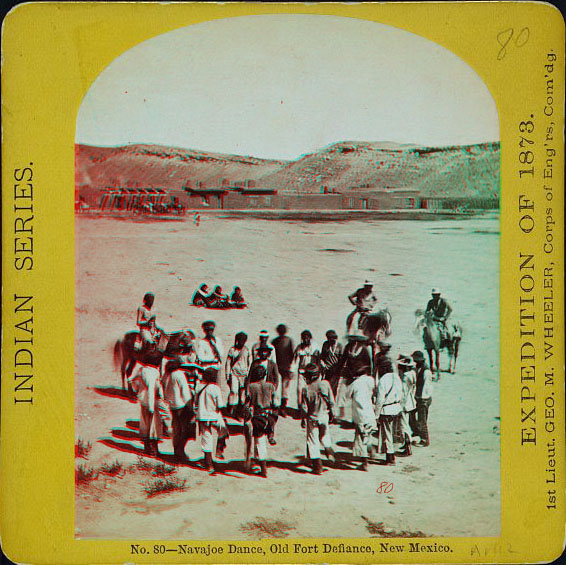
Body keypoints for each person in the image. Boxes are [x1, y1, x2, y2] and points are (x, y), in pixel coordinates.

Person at [300, 363, 336, 474]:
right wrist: (332, 414)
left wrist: (303, 419)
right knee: (325, 436)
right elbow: (331, 401)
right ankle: (330, 454)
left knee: (312, 441)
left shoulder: (306, 389)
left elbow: (304, 407)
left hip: (312, 418)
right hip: (324, 415)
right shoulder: (325, 384)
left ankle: (317, 467)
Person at [243, 365, 277, 477]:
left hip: (257, 416)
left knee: (259, 442)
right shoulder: (271, 386)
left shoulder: (251, 387)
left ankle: (263, 469)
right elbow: (275, 403)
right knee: (263, 439)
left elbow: (247, 404)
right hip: (269, 415)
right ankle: (271, 434)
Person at [128, 357, 165, 456]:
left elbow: (130, 379)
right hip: (152, 402)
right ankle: (154, 450)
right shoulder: (154, 372)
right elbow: (152, 389)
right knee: (154, 426)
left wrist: (137, 389)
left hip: (143, 400)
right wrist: (152, 407)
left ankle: (147, 448)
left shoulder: (141, 370)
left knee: (144, 424)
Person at [161, 358, 195, 463]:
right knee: (185, 430)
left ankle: (177, 452)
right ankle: (180, 452)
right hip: (182, 406)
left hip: (172, 406)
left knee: (177, 429)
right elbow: (185, 393)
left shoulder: (166, 375)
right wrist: (190, 407)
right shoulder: (179, 374)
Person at [195, 367, 228, 471]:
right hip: (214, 415)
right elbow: (220, 405)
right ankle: (219, 449)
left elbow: (196, 402)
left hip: (202, 416)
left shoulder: (199, 387)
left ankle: (208, 464)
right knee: (223, 429)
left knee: (206, 438)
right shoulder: (215, 388)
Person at [346, 362, 377, 471]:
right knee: (368, 435)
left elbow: (347, 395)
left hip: (360, 415)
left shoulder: (355, 383)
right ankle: (371, 449)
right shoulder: (370, 380)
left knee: (360, 438)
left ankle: (364, 463)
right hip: (370, 412)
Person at [247, 345, 281, 444]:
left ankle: (271, 434)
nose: (263, 353)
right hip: (257, 388)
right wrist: (247, 387)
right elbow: (249, 376)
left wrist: (275, 388)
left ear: (269, 353)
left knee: (271, 413)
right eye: (262, 352)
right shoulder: (255, 363)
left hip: (268, 389)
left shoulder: (272, 364)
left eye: (266, 352)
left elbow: (276, 377)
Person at [374, 360, 403, 465]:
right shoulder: (397, 377)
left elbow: (380, 399)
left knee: (387, 434)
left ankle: (390, 458)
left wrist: (376, 415)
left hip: (387, 410)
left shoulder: (383, 380)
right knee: (393, 433)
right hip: (397, 408)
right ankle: (391, 455)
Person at [225, 332, 252, 416]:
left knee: (242, 393)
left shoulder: (247, 350)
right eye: (240, 340)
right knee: (233, 391)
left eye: (243, 340)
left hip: (244, 375)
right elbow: (228, 363)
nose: (241, 342)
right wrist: (227, 375)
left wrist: (248, 375)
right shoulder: (232, 350)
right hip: (234, 374)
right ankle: (232, 408)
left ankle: (240, 411)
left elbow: (250, 363)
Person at [411, 350, 434, 447]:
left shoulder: (426, 371)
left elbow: (427, 387)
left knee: (422, 420)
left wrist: (423, 400)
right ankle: (417, 431)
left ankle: (425, 440)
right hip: (418, 397)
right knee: (412, 415)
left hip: (423, 399)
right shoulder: (418, 367)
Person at [271, 324, 295, 416]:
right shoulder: (288, 340)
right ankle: (281, 407)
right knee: (283, 389)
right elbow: (292, 354)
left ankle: (280, 407)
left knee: (281, 388)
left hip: (281, 367)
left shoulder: (276, 341)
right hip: (283, 367)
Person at [292, 330, 321, 404]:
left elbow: (319, 360)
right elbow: (295, 361)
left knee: (313, 391)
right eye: (304, 338)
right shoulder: (299, 347)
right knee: (300, 390)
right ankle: (301, 409)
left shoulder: (315, 347)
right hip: (302, 372)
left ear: (310, 338)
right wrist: (293, 371)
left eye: (307, 338)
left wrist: (318, 372)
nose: (305, 340)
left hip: (313, 373)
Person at [397, 355, 417, 456]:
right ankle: (406, 445)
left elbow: (403, 393)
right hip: (410, 402)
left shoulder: (405, 377)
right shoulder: (412, 373)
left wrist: (400, 405)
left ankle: (407, 448)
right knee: (406, 424)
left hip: (405, 404)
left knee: (404, 426)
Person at [319, 330, 343, 396]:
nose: (330, 340)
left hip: (335, 371)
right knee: (325, 388)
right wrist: (322, 364)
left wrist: (338, 369)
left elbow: (342, 360)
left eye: (332, 338)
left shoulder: (340, 346)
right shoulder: (326, 344)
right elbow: (322, 357)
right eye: (328, 338)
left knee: (333, 389)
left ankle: (332, 404)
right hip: (327, 370)